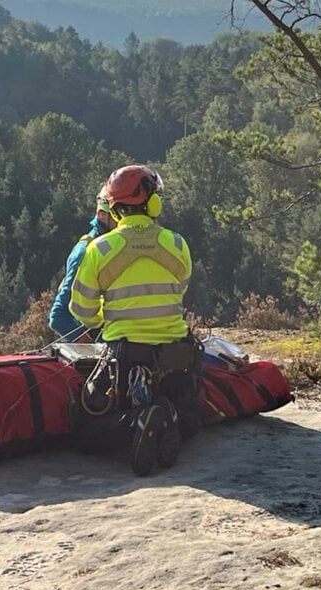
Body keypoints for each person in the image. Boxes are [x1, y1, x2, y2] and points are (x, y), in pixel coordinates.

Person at [68, 165, 203, 476]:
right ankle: (169, 416)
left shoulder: (99, 249)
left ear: (114, 211)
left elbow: (81, 310)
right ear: (153, 204)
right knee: (191, 422)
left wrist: (107, 317)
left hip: (127, 359)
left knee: (86, 435)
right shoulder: (177, 244)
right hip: (178, 356)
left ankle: (137, 421)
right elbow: (179, 288)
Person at [48, 185, 116, 342]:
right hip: (105, 355)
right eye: (118, 216)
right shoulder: (85, 251)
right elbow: (59, 317)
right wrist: (94, 353)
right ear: (101, 215)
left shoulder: (120, 248)